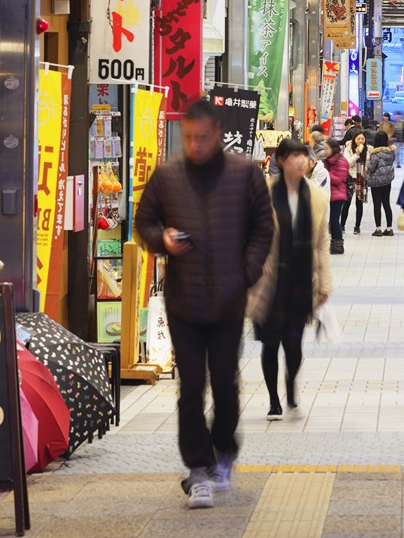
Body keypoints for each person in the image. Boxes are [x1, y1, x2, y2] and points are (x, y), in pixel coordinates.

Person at [134, 98, 275, 510]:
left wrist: (245, 272)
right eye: (188, 137)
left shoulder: (245, 174)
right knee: (191, 386)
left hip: (229, 301)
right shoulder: (167, 176)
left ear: (217, 134)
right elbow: (145, 220)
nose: (195, 145)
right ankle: (198, 469)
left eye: (202, 137)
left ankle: (223, 451)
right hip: (184, 301)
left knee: (226, 384)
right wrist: (162, 240)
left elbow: (263, 229)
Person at [247, 138, 332, 421]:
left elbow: (322, 242)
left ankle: (291, 383)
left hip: (300, 280)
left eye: (304, 156)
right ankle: (273, 400)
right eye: (294, 156)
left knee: (294, 345)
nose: (300, 161)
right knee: (270, 343)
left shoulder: (317, 196)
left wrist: (325, 284)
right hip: (269, 282)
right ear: (281, 160)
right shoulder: (264, 192)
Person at [366, 130, 397, 236]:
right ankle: (389, 228)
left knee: (377, 204)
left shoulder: (375, 154)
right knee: (387, 203)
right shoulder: (390, 152)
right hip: (387, 181)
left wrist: (367, 161)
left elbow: (370, 168)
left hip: (376, 182)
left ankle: (378, 229)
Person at [323, 138, 349, 255]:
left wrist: (326, 174)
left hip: (338, 196)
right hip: (328, 195)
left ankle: (338, 245)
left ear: (333, 149)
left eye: (326, 149)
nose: (325, 151)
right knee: (330, 221)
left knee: (334, 220)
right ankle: (334, 244)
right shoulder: (326, 161)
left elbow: (340, 179)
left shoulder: (342, 161)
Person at [342, 131, 369, 235]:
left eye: (362, 139)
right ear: (354, 139)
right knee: (346, 203)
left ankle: (357, 227)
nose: (360, 141)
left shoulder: (368, 149)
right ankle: (342, 225)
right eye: (358, 139)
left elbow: (368, 164)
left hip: (361, 178)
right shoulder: (348, 149)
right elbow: (347, 163)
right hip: (350, 177)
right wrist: (356, 154)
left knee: (359, 204)